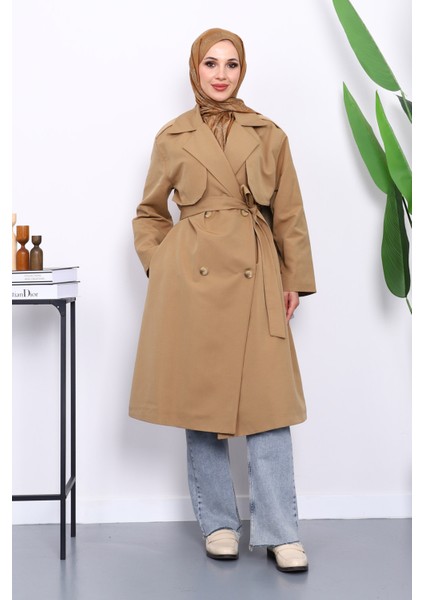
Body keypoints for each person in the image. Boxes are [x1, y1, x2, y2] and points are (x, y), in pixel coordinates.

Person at [129, 28, 316, 573]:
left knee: (268, 406)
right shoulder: (172, 137)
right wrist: (163, 265)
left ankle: (281, 531)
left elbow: (290, 214)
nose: (220, 74)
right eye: (210, 63)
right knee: (201, 401)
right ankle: (218, 524)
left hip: (256, 277)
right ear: (195, 69)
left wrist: (293, 278)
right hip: (192, 282)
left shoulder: (269, 134)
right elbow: (149, 213)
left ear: (242, 70)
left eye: (231, 64)